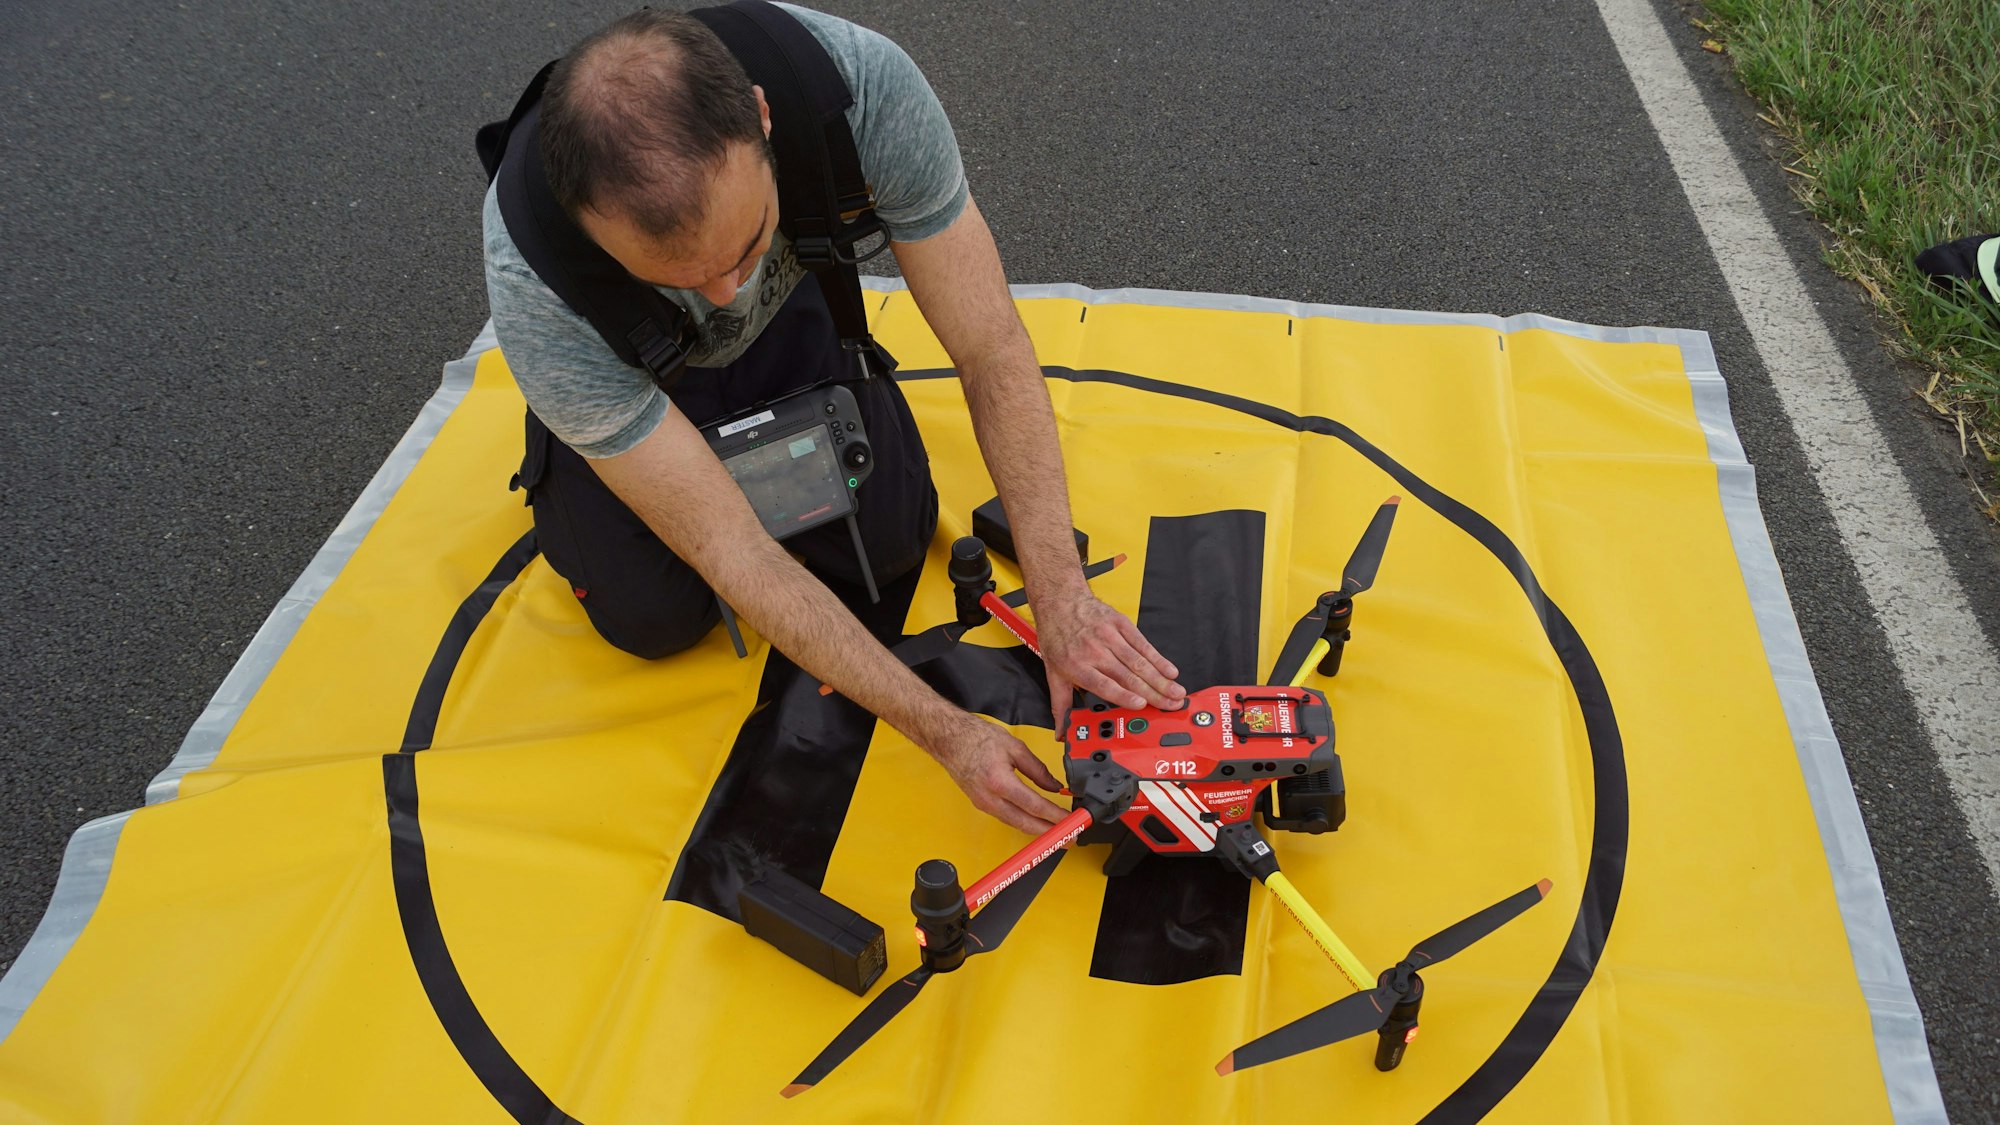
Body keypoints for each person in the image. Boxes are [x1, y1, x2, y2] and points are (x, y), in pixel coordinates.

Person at [482, 3, 1184, 834]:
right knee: (652, 617)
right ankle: (579, 469)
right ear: (591, 230)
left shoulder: (861, 93)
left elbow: (990, 346)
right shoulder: (538, 284)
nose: (724, 296)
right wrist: (947, 732)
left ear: (764, 119)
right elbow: (730, 549)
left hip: (794, 329)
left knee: (890, 544)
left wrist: (1062, 598)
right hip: (645, 378)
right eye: (680, 277)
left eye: (746, 249)